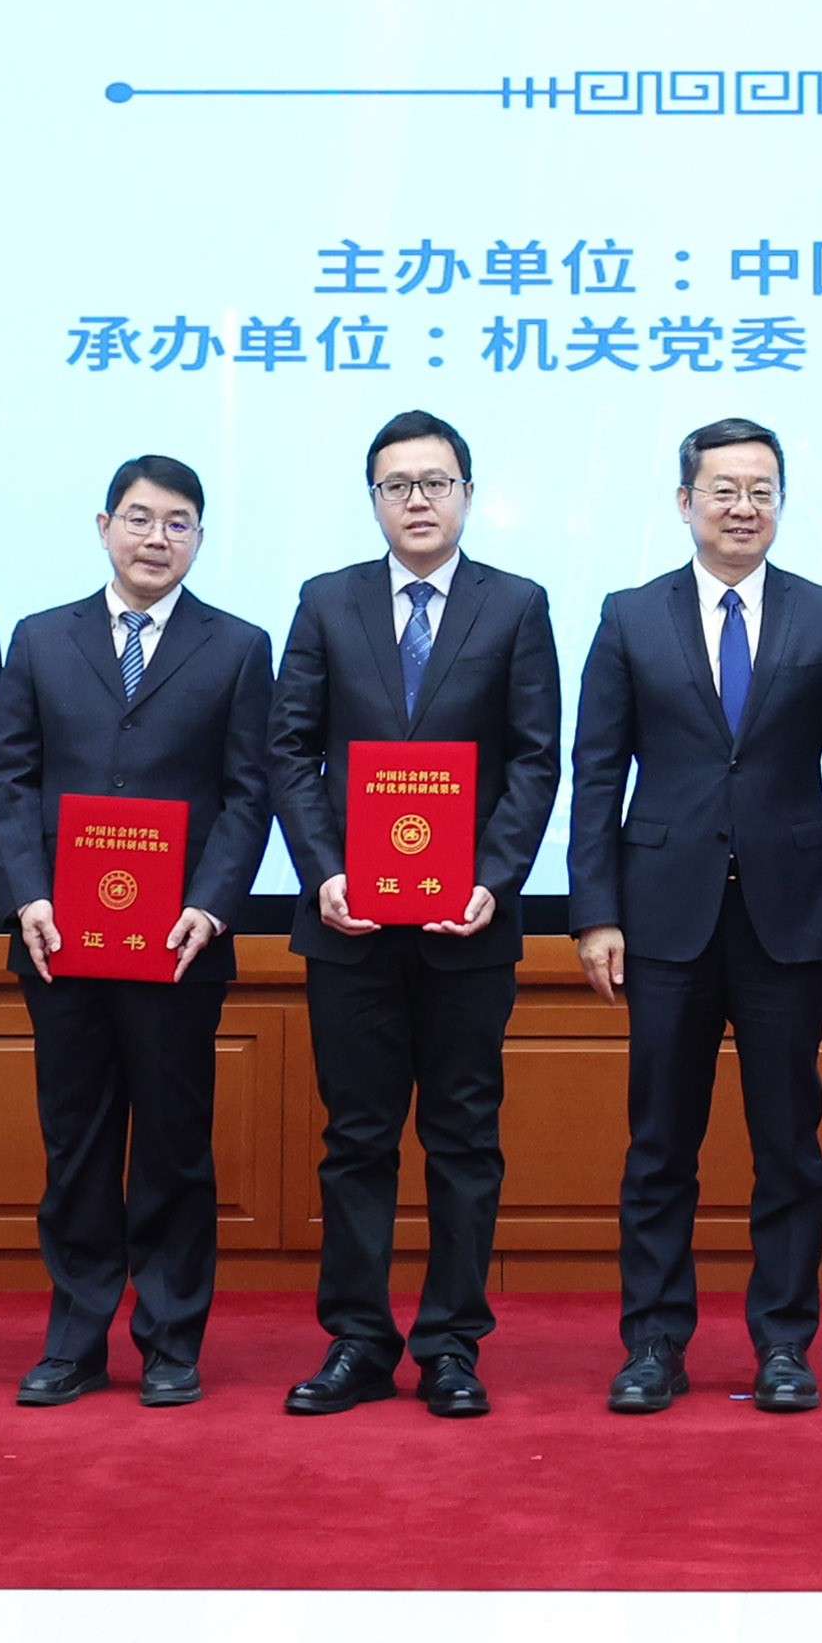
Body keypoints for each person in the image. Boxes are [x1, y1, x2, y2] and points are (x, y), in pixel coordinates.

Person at [569, 414, 822, 1417]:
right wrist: (594, 911)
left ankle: (784, 1343)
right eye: (724, 489)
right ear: (685, 501)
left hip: (790, 915)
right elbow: (596, 771)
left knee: (788, 1142)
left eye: (761, 490)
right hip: (662, 915)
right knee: (660, 1143)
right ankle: (654, 1342)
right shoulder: (630, 616)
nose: (743, 507)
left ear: (780, 503)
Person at [266, 409, 563, 1421]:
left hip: (467, 925)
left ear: (468, 494)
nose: (419, 500)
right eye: (398, 485)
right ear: (375, 500)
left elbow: (534, 758)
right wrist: (323, 871)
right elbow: (290, 749)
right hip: (349, 925)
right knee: (356, 1136)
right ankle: (357, 1338)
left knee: (463, 1136)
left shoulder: (516, 604)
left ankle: (450, 1345)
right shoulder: (327, 599)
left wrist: (494, 876)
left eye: (436, 482)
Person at [0, 452, 279, 1408]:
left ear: (200, 537)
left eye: (178, 522)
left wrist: (212, 902)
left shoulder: (239, 647)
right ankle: (73, 1341)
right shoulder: (40, 638)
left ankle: (170, 1341)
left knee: (173, 1147)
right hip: (60, 940)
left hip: (179, 942)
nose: (158, 537)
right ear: (103, 525)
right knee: (75, 1146)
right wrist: (27, 895)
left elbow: (249, 792)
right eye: (140, 518)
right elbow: (7, 777)